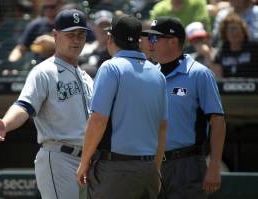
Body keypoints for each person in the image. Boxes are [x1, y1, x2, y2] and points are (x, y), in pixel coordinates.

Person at [0, 9, 93, 199]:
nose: (76, 40)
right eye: (70, 35)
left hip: (88, 161)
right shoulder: (44, 71)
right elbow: (24, 105)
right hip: (60, 157)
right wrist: (6, 123)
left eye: (81, 34)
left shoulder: (86, 76)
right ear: (55, 36)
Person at [77, 14, 168, 199]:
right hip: (148, 169)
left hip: (115, 170)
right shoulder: (158, 74)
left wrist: (84, 161)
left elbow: (98, 120)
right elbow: (163, 127)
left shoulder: (111, 68)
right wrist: (156, 170)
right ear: (139, 41)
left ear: (110, 38)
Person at [142, 16, 226, 198]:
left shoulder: (199, 74)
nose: (150, 42)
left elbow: (217, 121)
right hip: (152, 165)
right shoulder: (149, 74)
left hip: (187, 164)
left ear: (173, 42)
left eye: (156, 38)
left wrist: (214, 166)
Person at [214, 13, 258, 78]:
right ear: (225, 33)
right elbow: (218, 79)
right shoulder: (221, 52)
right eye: (231, 29)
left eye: (238, 29)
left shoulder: (254, 49)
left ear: (243, 32)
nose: (235, 33)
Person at [79, 9, 113, 78]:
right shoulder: (86, 48)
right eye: (101, 26)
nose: (103, 29)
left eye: (106, 26)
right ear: (94, 28)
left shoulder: (115, 52)